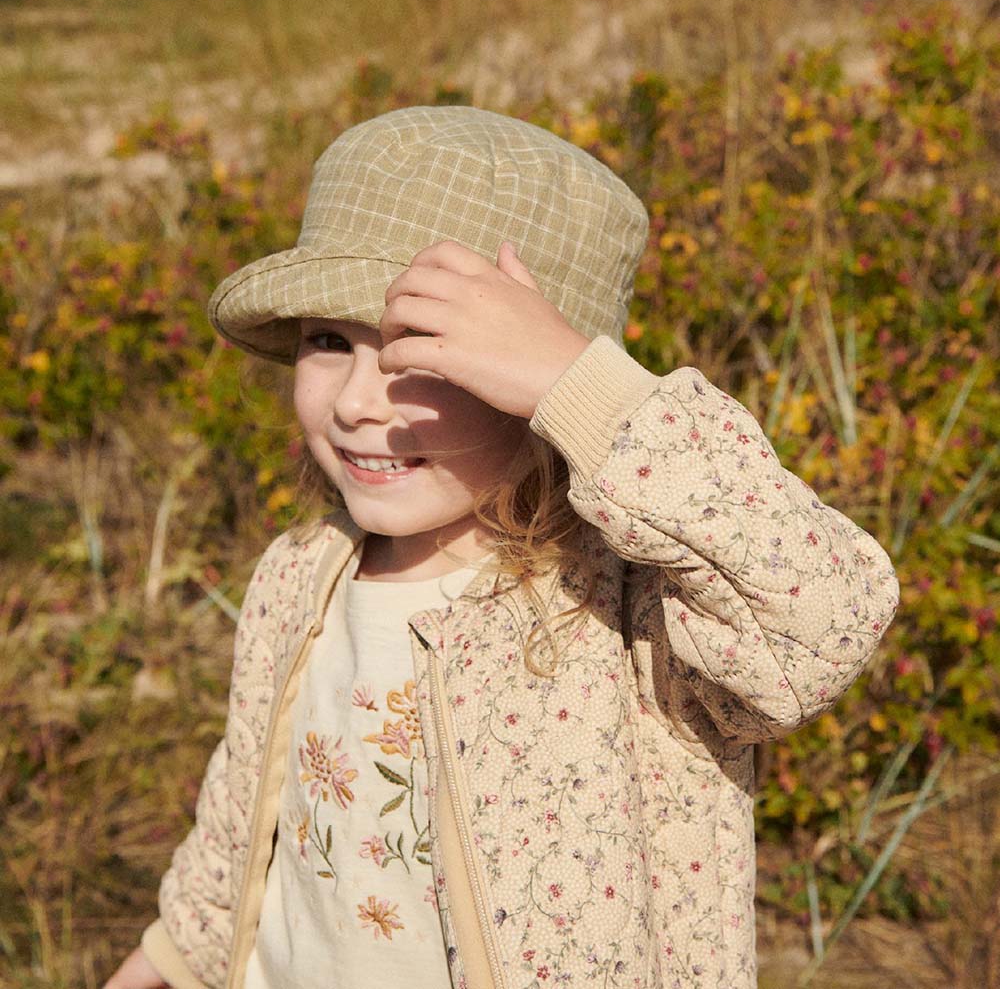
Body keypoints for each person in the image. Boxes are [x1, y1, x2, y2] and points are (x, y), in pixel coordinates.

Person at [103, 105, 900, 989]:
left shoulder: (631, 603)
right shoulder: (301, 571)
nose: (359, 402)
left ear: (533, 384)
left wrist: (585, 388)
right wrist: (168, 956)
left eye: (427, 355)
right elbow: (246, 809)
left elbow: (828, 621)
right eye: (329, 342)